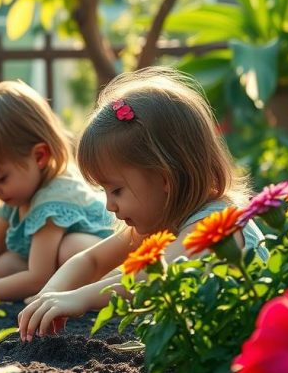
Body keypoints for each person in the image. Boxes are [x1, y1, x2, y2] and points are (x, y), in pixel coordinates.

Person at [17, 67, 266, 340]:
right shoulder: (171, 218)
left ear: (164, 178)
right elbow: (91, 259)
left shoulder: (217, 224)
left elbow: (158, 276)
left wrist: (81, 298)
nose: (109, 205)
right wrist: (49, 295)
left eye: (117, 190)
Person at [0, 80, 115, 311]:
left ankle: (90, 297)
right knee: (4, 265)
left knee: (71, 248)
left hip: (111, 264)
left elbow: (39, 276)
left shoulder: (54, 198)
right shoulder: (20, 191)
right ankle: (52, 294)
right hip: (54, 269)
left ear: (39, 156)